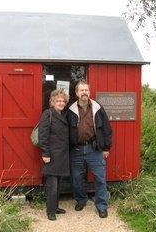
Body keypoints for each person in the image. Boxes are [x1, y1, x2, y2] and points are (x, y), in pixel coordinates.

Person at [67, 80, 112, 218]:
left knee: (100, 178)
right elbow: (64, 130)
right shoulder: (70, 109)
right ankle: (81, 200)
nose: (84, 93)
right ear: (76, 93)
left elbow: (107, 129)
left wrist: (106, 148)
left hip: (95, 149)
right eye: (81, 90)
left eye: (86, 90)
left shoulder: (98, 108)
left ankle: (102, 206)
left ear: (89, 92)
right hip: (77, 149)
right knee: (77, 178)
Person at [38, 89, 70, 221]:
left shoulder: (62, 115)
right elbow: (42, 135)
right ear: (52, 102)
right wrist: (45, 153)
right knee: (52, 184)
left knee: (59, 182)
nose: (61, 103)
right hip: (51, 155)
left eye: (63, 101)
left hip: (61, 155)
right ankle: (50, 211)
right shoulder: (48, 114)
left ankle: (55, 207)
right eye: (58, 101)